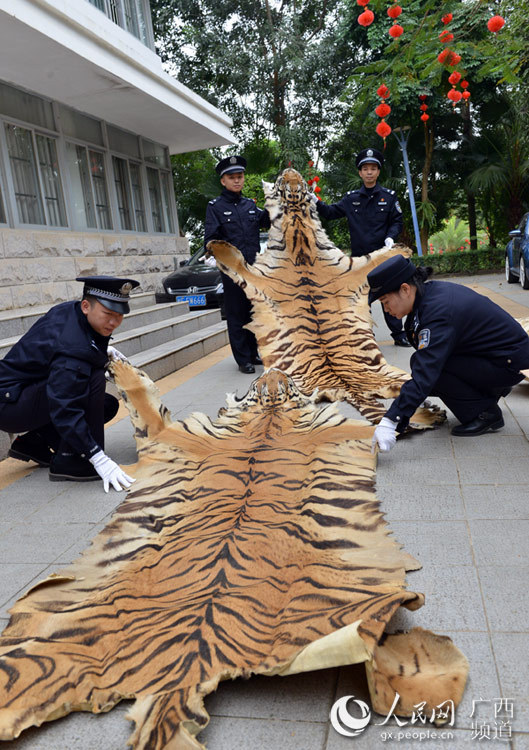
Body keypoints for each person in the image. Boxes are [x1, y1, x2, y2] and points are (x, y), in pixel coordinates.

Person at [368, 256, 529, 451]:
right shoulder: (428, 296)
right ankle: (489, 391)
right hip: (496, 357)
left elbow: (426, 371)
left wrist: (391, 420)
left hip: (507, 363)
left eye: (386, 302)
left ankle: (485, 413)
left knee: (433, 371)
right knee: (423, 363)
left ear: (405, 289)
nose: (386, 310)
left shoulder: (438, 312)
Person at [0, 276, 139, 491]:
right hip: (10, 405)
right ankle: (72, 462)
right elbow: (65, 406)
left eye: (120, 315)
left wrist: (103, 353)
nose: (114, 322)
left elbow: (68, 353)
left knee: (106, 405)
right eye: (108, 314)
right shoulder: (73, 347)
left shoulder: (72, 311)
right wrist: (96, 457)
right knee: (92, 378)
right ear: (86, 306)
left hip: (21, 393)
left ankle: (33, 443)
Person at [315, 147, 409, 346]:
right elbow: (331, 213)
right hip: (360, 261)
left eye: (373, 168)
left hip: (383, 258)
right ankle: (366, 337)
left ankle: (398, 335)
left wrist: (391, 237)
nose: (369, 172)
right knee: (360, 302)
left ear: (378, 171)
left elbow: (397, 221)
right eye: (365, 168)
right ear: (360, 172)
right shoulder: (351, 199)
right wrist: (315, 201)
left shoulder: (388, 197)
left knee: (389, 295)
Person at [204, 155, 270, 374]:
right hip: (232, 271)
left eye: (240, 176)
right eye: (232, 177)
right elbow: (211, 238)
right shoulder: (215, 207)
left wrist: (276, 202)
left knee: (254, 312)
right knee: (236, 314)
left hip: (253, 269)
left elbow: (268, 221)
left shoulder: (250, 205)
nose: (237, 181)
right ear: (223, 181)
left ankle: (253, 353)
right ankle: (243, 360)